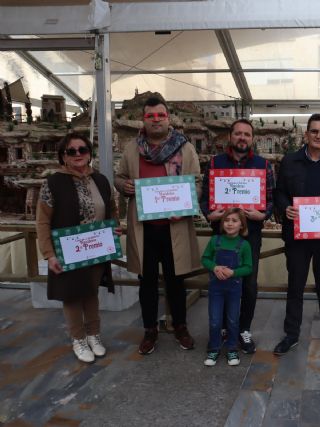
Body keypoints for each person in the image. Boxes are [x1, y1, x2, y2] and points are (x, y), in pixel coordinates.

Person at [115, 96, 202, 355]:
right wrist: (123, 185)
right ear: (143, 119)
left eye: (160, 115)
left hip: (174, 228)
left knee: (176, 281)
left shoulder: (184, 148)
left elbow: (197, 182)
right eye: (150, 116)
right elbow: (119, 177)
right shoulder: (132, 149)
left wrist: (185, 204)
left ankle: (180, 326)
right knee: (147, 282)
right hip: (144, 230)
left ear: (168, 118)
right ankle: (150, 329)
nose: (156, 120)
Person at [36, 133, 120, 363]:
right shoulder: (53, 183)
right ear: (63, 156)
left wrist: (114, 228)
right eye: (71, 151)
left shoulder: (101, 180)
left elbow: (112, 208)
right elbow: (42, 221)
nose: (77, 154)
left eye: (82, 149)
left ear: (89, 153)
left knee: (91, 292)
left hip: (97, 247)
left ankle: (94, 334)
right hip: (68, 250)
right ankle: (78, 339)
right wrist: (49, 254)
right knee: (72, 295)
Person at [273, 113, 320, 358]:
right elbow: (279, 192)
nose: (318, 135)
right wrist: (285, 207)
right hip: (297, 237)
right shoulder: (290, 161)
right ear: (306, 134)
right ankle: (291, 335)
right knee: (295, 286)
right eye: (314, 131)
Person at [200, 119, 274, 354]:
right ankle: (223, 328)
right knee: (220, 278)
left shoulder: (263, 165)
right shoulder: (215, 163)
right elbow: (204, 197)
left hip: (250, 234)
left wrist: (263, 214)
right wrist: (209, 213)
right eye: (238, 133)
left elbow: (271, 198)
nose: (242, 138)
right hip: (221, 234)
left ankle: (243, 329)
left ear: (252, 138)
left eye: (247, 134)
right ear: (230, 136)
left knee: (248, 282)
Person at [201, 208, 252, 367]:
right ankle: (214, 349)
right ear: (222, 224)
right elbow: (205, 259)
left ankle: (232, 349)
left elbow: (248, 267)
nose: (230, 224)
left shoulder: (244, 245)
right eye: (227, 220)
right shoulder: (214, 240)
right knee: (215, 320)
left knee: (232, 320)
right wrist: (214, 267)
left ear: (241, 225)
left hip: (234, 289)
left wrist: (234, 272)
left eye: (234, 221)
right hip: (216, 289)